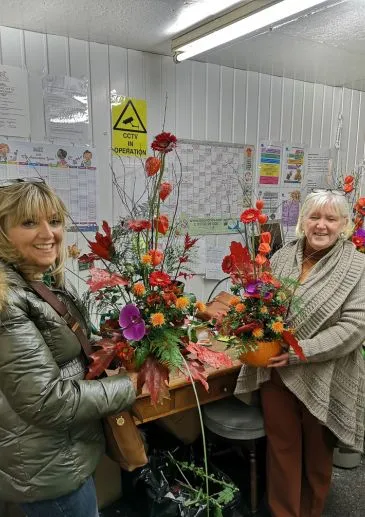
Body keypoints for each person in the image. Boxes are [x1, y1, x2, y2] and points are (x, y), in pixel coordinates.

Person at [0, 178, 136, 517]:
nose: (49, 234)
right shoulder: (7, 300)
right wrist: (131, 385)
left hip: (62, 453)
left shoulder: (34, 282)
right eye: (30, 222)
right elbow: (45, 400)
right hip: (48, 466)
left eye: (55, 221)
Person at [235, 190, 365, 517]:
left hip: (325, 377)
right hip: (277, 374)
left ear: (345, 224)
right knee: (282, 452)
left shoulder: (358, 265)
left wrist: (298, 351)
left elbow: (354, 327)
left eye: (331, 218)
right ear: (303, 221)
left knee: (317, 460)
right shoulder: (282, 257)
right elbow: (265, 306)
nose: (321, 225)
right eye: (314, 217)